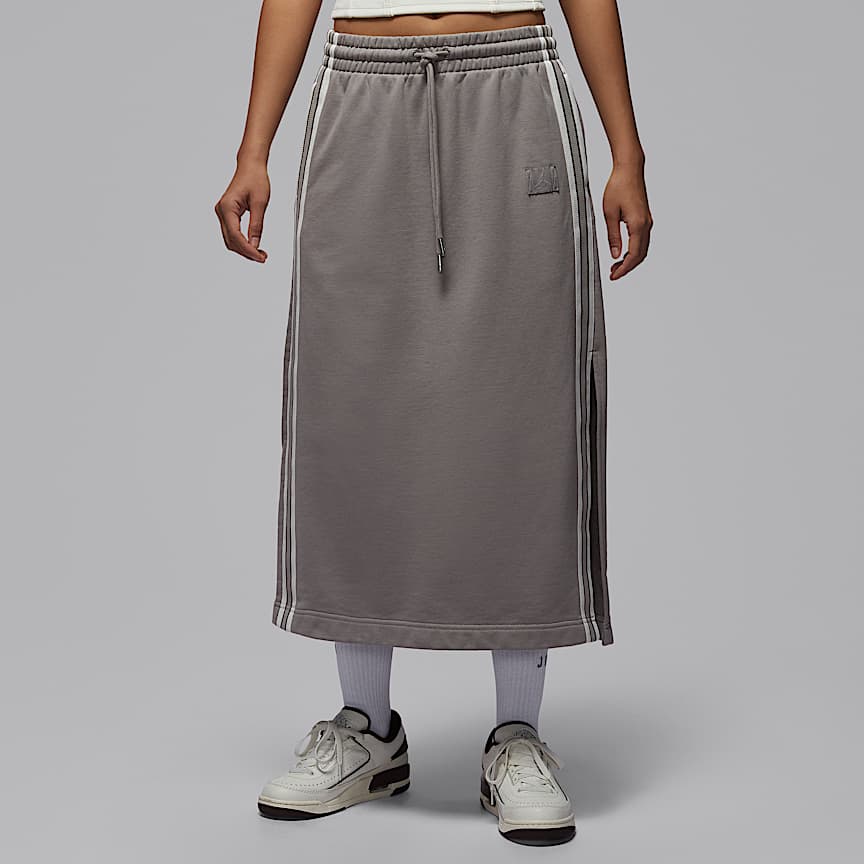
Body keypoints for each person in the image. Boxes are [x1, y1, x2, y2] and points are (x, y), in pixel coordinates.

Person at [214, 0, 651, 847]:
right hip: (359, 91)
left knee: (523, 409)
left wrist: (626, 153)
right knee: (351, 402)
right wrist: (252, 149)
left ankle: (517, 735)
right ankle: (367, 731)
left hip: (514, 80)